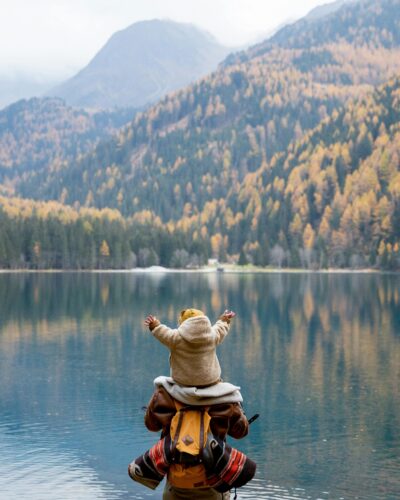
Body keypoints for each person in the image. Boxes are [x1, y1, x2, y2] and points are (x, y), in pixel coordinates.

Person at [144, 308, 235, 387]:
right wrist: (224, 319)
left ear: (183, 323)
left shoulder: (175, 338)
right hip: (210, 380)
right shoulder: (212, 336)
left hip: (183, 382)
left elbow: (162, 332)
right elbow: (220, 328)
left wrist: (154, 324)